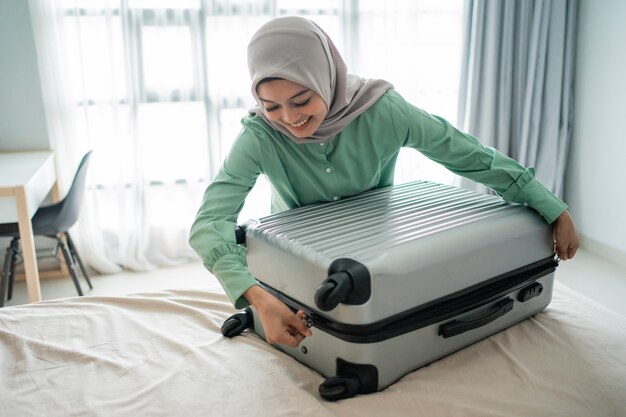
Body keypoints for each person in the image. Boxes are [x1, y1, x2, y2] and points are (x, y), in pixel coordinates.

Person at [189, 16, 580, 349]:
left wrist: (551, 206)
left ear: (325, 77)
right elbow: (210, 223)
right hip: (296, 260)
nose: (289, 119)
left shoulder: (383, 111)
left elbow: (469, 155)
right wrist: (257, 297)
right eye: (270, 106)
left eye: (302, 99)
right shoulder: (260, 135)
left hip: (375, 255)